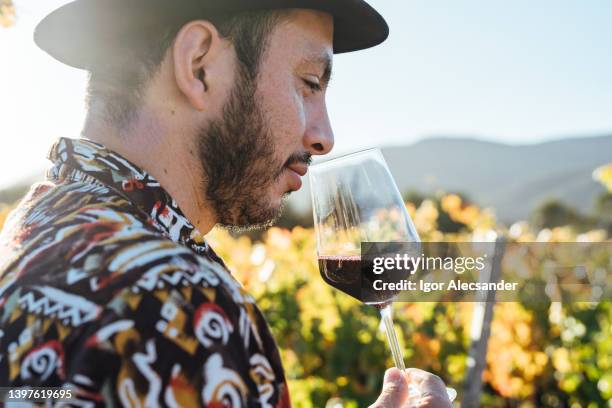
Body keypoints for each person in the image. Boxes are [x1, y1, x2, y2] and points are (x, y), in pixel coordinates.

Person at [0, 0, 453, 406]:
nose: (324, 137)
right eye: (310, 83)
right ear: (199, 66)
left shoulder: (37, 227)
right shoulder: (178, 308)